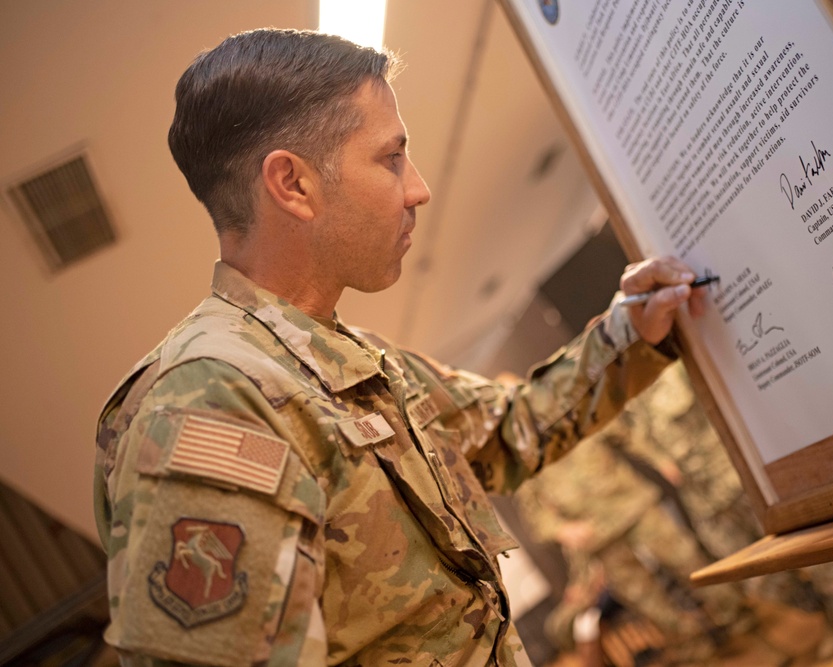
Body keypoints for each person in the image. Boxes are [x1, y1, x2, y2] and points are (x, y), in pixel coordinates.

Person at [94, 28, 706, 666]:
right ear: (292, 184)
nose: (418, 188)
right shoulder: (211, 400)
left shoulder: (353, 359)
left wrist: (629, 332)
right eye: (390, 158)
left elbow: (512, 428)